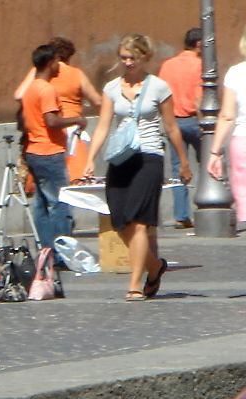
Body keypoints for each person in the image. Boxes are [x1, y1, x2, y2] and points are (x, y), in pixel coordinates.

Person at [83, 34, 192, 301]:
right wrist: (89, 158)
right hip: (120, 159)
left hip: (149, 157)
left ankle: (134, 285)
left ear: (145, 57)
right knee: (120, 220)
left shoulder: (159, 87)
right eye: (123, 58)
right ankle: (154, 266)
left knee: (139, 221)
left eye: (133, 58)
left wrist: (183, 161)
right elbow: (104, 126)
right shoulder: (111, 88)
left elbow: (171, 126)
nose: (128, 63)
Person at [21, 45, 88, 252]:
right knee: (60, 203)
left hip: (34, 151)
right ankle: (62, 252)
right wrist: (77, 119)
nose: (59, 66)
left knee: (41, 204)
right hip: (49, 152)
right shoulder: (47, 89)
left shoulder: (31, 88)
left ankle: (46, 249)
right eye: (57, 62)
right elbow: (51, 120)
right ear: (50, 63)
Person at [14, 37, 102, 184]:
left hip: (43, 135)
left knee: (46, 188)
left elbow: (19, 95)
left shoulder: (39, 73)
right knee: (75, 185)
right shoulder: (76, 74)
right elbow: (97, 101)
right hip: (71, 131)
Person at [159, 28, 204, 229]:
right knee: (209, 165)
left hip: (173, 122)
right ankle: (207, 207)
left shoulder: (167, 66)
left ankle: (181, 215)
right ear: (199, 44)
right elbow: (199, 98)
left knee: (179, 168)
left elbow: (160, 95)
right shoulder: (201, 64)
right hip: (195, 120)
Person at [206, 26, 246, 226]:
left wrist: (215, 152)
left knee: (243, 190)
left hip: (242, 139)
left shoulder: (236, 73)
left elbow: (227, 115)